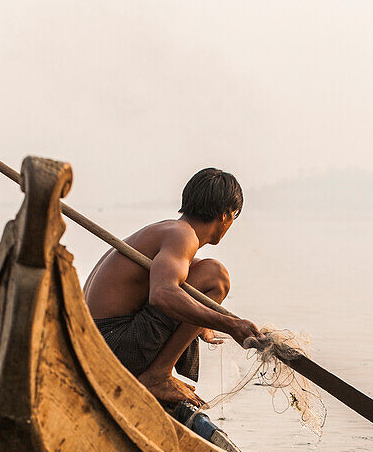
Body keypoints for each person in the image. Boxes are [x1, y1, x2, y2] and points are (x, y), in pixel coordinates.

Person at [83, 168, 262, 406]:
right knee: (217, 276)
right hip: (111, 345)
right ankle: (157, 377)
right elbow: (162, 295)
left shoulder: (168, 231)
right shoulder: (183, 237)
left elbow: (177, 284)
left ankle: (158, 374)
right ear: (226, 215)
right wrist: (230, 324)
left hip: (91, 338)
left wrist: (202, 324)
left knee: (205, 272)